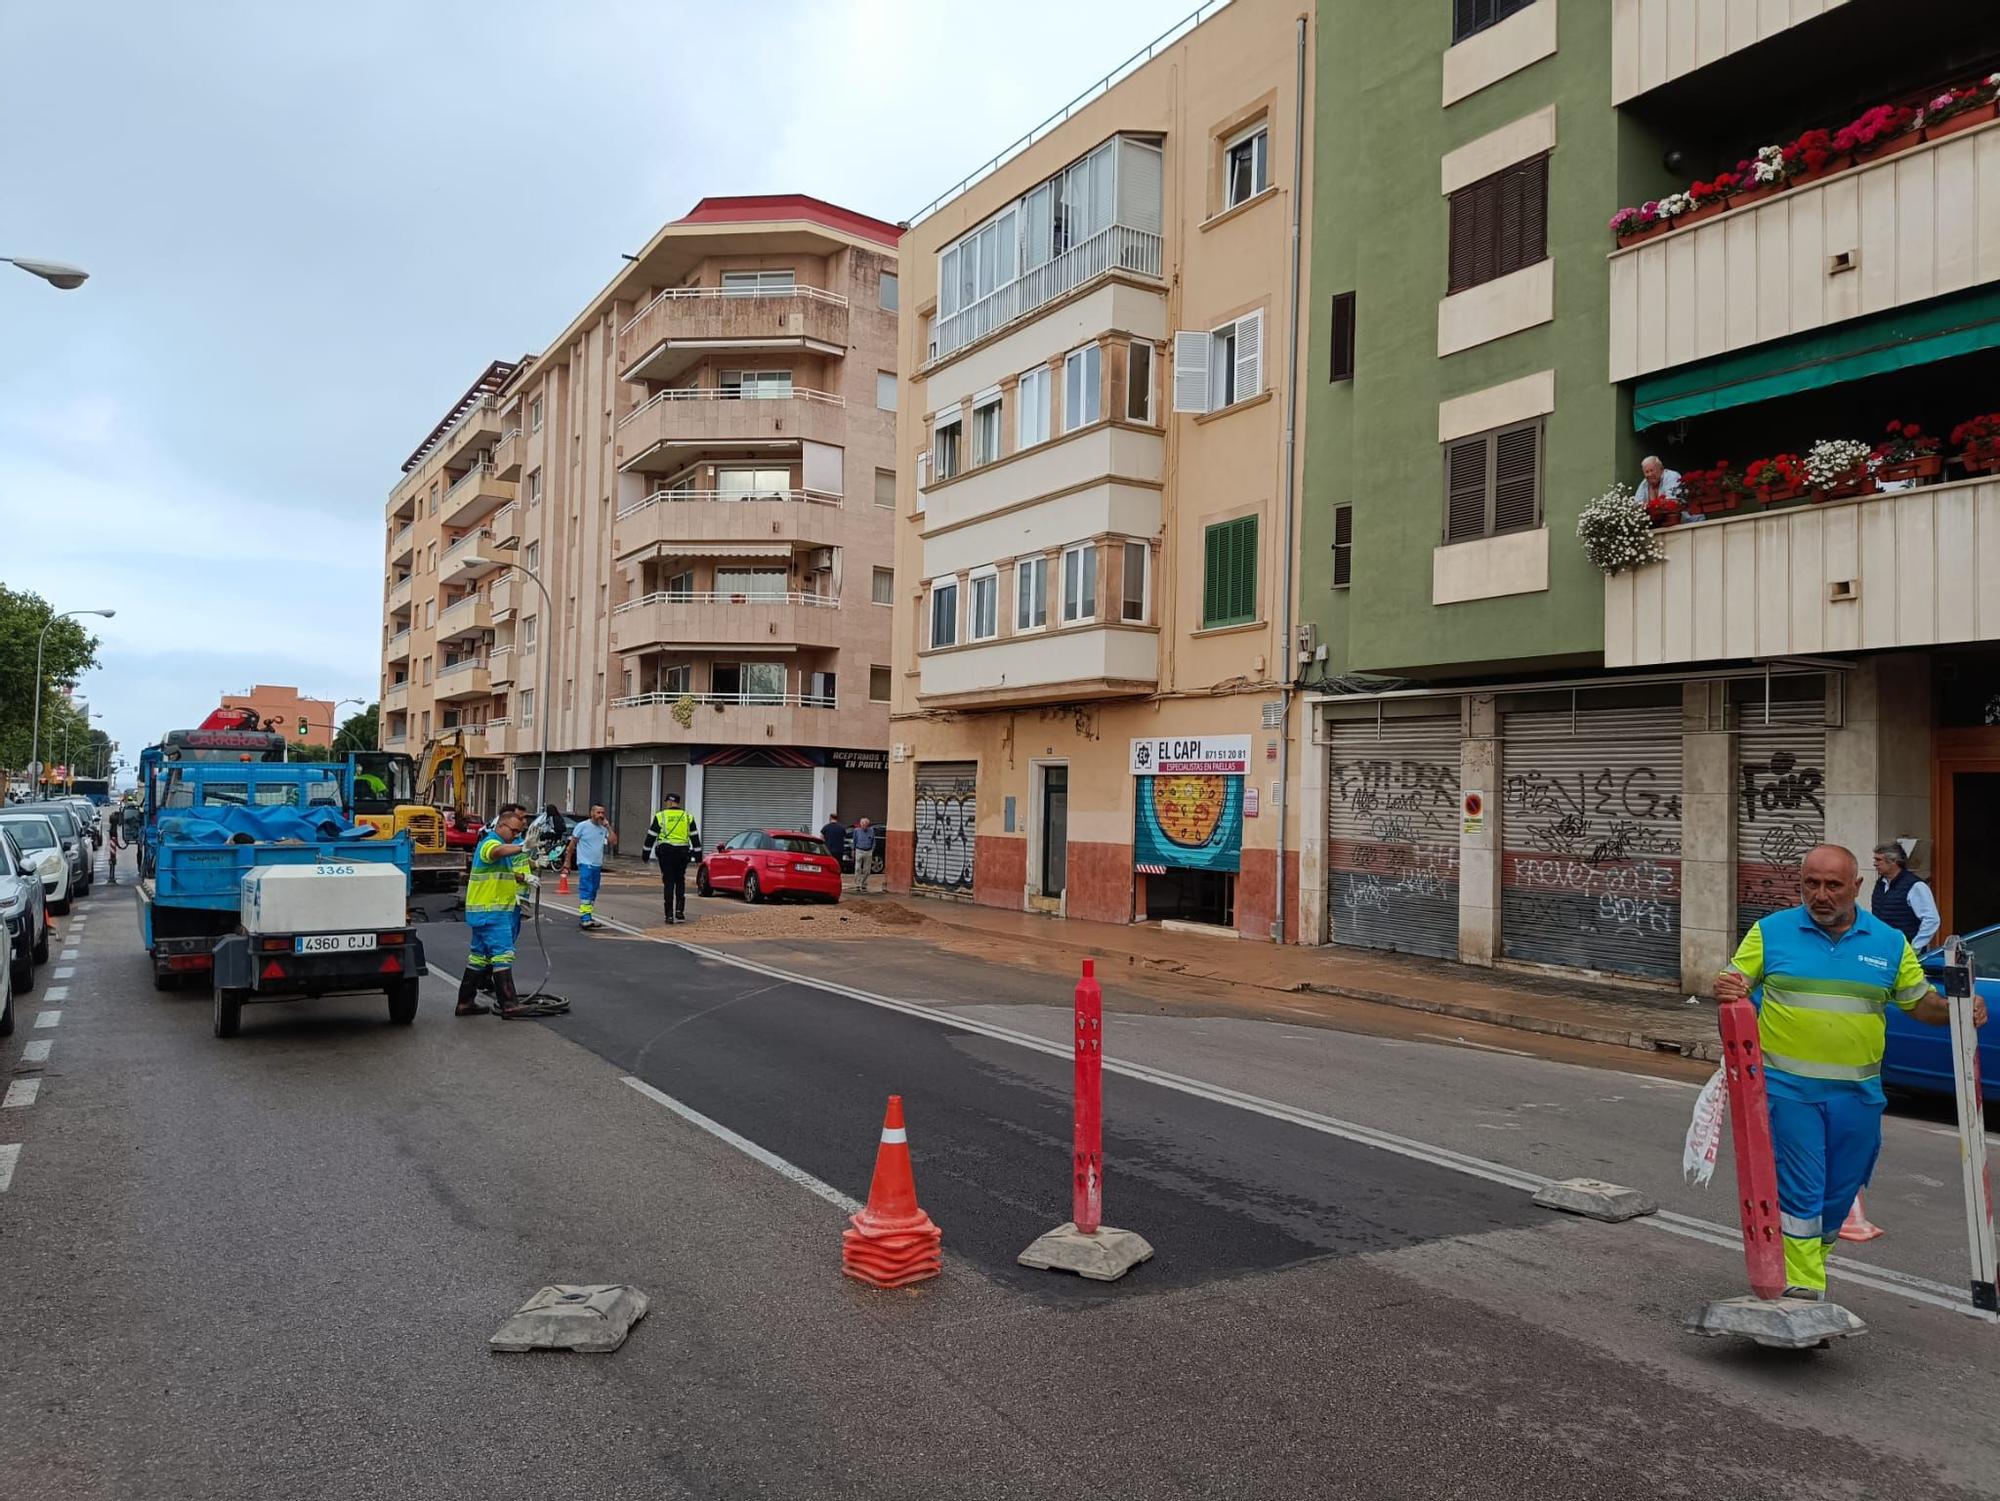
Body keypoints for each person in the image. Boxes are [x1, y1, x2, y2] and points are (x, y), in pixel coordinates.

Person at [1714, 843, 1985, 1301]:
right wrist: (1727, 984)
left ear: (1856, 887)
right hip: (1788, 1091)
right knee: (1803, 1190)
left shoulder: (1888, 943)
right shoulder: (1770, 932)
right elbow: (1734, 980)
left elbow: (1918, 1003)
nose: (1820, 895)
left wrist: (1959, 1008)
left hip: (1858, 1096)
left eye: (1833, 885)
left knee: (1839, 1195)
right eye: (1811, 884)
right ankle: (1803, 1291)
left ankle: (1808, 1261)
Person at [460, 802, 533, 1017]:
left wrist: (529, 872)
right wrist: (523, 847)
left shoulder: (499, 844)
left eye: (519, 833)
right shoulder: (491, 843)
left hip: (483, 913)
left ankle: (465, 1002)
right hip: (493, 913)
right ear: (501, 826)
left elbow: (503, 872)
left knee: (478, 957)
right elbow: (497, 852)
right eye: (513, 831)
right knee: (503, 955)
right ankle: (509, 1004)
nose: (515, 835)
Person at [1869, 843, 1939, 950]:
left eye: (1879, 860)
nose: (1875, 864)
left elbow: (1931, 920)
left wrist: (1915, 947)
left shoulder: (1915, 886)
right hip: (1881, 948)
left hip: (1904, 950)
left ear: (1893, 861)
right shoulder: (1881, 883)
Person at [643, 792, 698, 924]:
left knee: (669, 882)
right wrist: (698, 855)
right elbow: (694, 837)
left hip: (666, 853)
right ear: (678, 802)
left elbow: (651, 836)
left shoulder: (661, 816)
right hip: (682, 853)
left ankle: (669, 915)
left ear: (668, 802)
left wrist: (646, 853)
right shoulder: (687, 816)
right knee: (680, 880)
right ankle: (679, 911)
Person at [565, 804, 618, 930]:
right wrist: (567, 862)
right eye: (598, 812)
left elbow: (613, 841)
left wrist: (608, 827)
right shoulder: (582, 826)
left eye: (603, 813)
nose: (601, 815)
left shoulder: (603, 828)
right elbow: (572, 845)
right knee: (586, 889)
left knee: (593, 890)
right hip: (585, 863)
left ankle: (588, 914)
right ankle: (585, 918)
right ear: (592, 813)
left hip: (597, 864)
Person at [849, 817, 877, 894]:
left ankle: (864, 884)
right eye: (863, 825)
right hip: (859, 850)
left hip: (868, 851)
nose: (864, 826)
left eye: (866, 825)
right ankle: (857, 884)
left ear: (868, 825)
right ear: (861, 824)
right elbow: (854, 840)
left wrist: (872, 849)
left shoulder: (871, 831)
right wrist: (853, 850)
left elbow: (873, 841)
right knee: (857, 868)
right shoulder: (857, 830)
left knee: (867, 870)